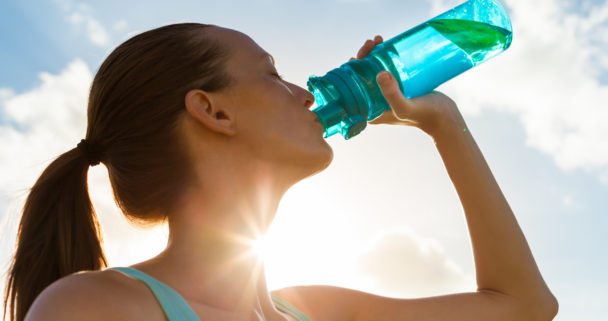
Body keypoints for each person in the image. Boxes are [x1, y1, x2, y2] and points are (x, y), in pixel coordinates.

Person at [3, 23, 558, 321]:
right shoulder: (96, 308)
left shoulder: (311, 311)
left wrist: (444, 123)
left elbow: (524, 307)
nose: (302, 90)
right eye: (272, 74)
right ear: (213, 110)